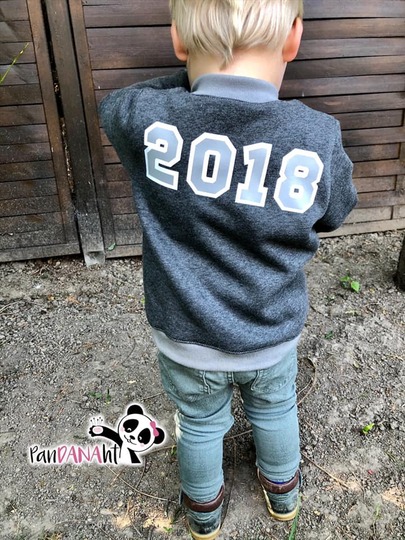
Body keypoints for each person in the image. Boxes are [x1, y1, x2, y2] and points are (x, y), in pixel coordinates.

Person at [99, 0, 358, 538]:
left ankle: (204, 513)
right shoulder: (317, 135)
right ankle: (284, 495)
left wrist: (196, 83)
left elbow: (116, 104)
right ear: (294, 38)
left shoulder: (148, 120)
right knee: (275, 408)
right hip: (271, 332)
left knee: (198, 423)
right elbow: (336, 210)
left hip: (186, 335)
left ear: (177, 40)